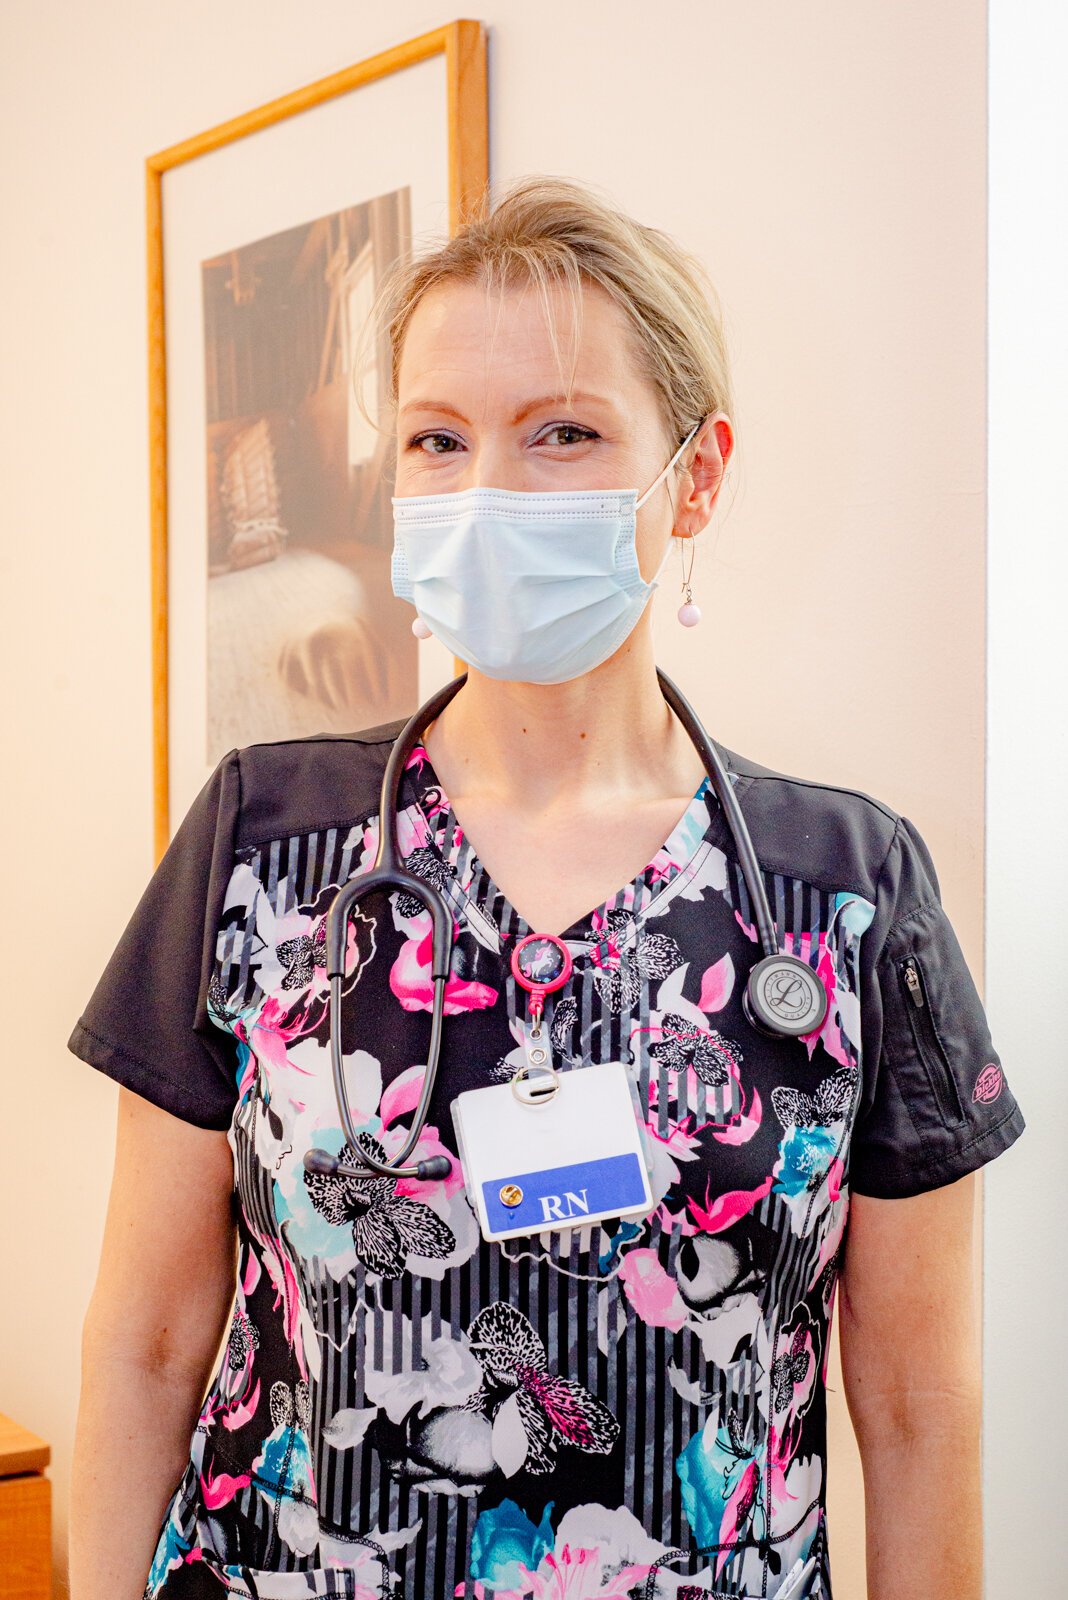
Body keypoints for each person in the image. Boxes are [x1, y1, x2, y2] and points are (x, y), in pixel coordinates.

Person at [68, 177, 1024, 1600]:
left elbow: (918, 1408)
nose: (489, 489)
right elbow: (147, 1348)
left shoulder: (845, 894)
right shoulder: (265, 847)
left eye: (562, 433)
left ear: (697, 476)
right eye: (438, 439)